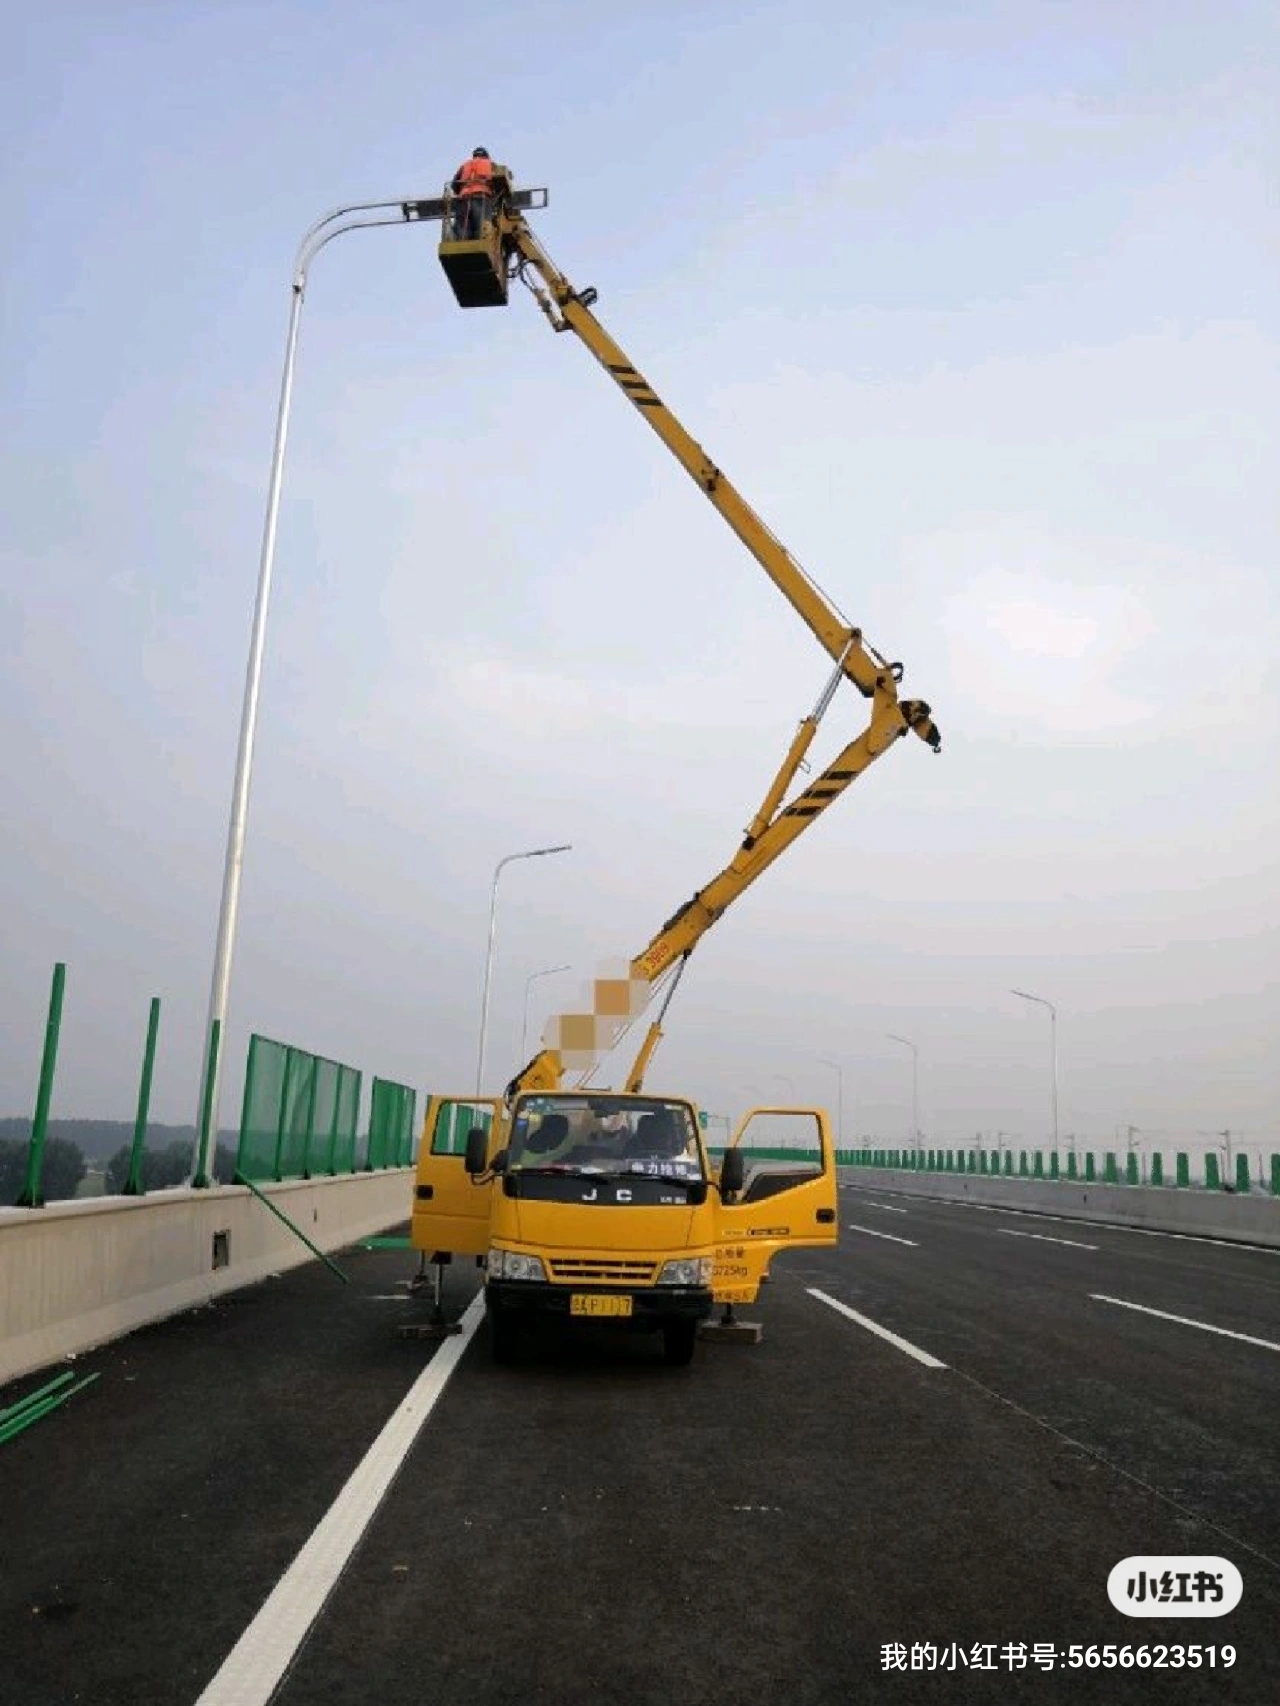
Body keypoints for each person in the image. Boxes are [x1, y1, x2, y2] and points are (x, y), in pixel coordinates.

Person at [451, 146, 494, 239]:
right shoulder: (490, 165)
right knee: (480, 227)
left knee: (462, 228)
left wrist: (461, 191)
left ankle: (461, 245)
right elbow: (499, 182)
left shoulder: (464, 165)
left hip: (463, 198)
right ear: (486, 156)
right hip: (481, 198)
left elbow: (454, 184)